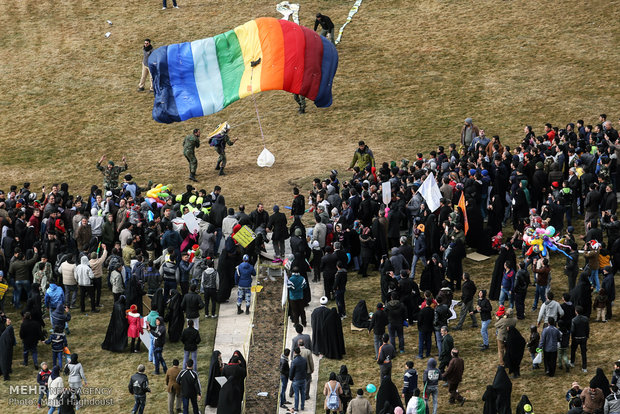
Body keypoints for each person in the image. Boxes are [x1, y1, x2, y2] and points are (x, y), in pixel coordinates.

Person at [571, 305, 590, 373]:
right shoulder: (586, 319)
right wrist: (587, 336)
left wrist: (572, 337)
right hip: (583, 338)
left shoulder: (574, 320)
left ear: (576, 312)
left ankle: (572, 362)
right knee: (583, 353)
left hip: (576, 338)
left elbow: (572, 330)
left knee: (573, 350)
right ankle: (584, 367)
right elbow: (587, 329)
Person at [290, 347, 307, 412]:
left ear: (294, 352)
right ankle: (302, 406)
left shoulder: (294, 361)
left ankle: (296, 407)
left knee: (296, 394)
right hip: (303, 379)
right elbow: (306, 368)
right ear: (300, 352)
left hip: (296, 379)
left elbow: (292, 371)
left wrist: (291, 378)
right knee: (303, 393)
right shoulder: (304, 360)